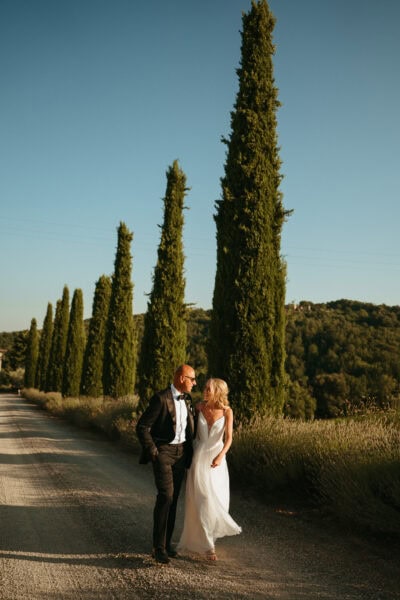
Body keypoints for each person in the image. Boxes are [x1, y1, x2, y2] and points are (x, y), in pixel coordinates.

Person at [136, 364, 196, 564]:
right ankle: (158, 547)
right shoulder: (161, 398)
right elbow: (142, 426)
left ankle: (167, 544)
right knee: (166, 496)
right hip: (163, 452)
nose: (194, 382)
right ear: (180, 378)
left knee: (174, 499)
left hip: (181, 454)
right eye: (192, 378)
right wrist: (153, 450)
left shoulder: (187, 399)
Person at [178, 377, 241, 561]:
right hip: (199, 457)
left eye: (208, 388)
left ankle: (209, 538)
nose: (205, 391)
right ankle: (208, 546)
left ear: (218, 391)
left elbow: (229, 438)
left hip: (217, 460)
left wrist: (221, 455)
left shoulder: (227, 412)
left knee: (217, 500)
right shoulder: (199, 408)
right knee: (201, 500)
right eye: (204, 388)